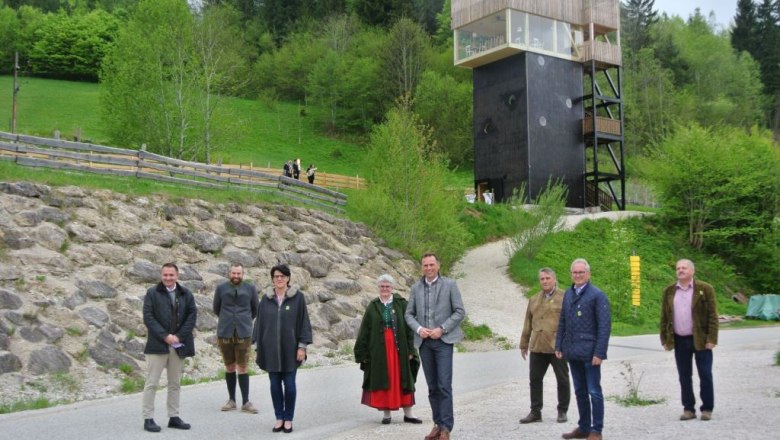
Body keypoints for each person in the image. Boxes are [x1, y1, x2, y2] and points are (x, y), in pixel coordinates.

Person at [405, 253, 466, 440]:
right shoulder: (416, 288)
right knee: (432, 387)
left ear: (438, 265)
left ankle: (446, 427)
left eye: (432, 265)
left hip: (443, 342)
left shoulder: (450, 285)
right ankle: (437, 425)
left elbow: (460, 311)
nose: (429, 268)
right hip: (424, 343)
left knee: (444, 385)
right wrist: (419, 329)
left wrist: (443, 328)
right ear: (421, 267)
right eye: (425, 265)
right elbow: (409, 314)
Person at [354, 274, 422, 425]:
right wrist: (362, 353)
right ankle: (386, 414)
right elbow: (365, 330)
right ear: (378, 288)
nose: (385, 289)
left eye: (387, 286)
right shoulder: (373, 306)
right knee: (384, 378)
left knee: (403, 378)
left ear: (392, 288)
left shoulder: (401, 304)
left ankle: (409, 414)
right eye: (382, 286)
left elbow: (410, 328)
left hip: (400, 348)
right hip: (379, 350)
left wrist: (411, 350)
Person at [253, 264, 313, 434]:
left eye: (282, 276)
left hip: (290, 350)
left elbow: (303, 323)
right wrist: (258, 345)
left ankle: (288, 419)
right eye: (276, 276)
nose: (279, 279)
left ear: (288, 279)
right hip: (270, 350)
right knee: (274, 386)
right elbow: (259, 323)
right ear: (272, 279)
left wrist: (302, 346)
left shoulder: (298, 298)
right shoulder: (266, 299)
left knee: (290, 386)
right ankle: (279, 417)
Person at [555, 258, 611, 440]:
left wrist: (599, 353)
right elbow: (562, 320)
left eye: (581, 272)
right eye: (574, 272)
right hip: (572, 351)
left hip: (590, 353)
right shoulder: (569, 294)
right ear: (571, 274)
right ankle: (584, 427)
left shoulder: (597, 295)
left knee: (594, 391)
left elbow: (604, 326)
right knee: (579, 391)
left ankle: (596, 430)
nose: (578, 275)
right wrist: (559, 345)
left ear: (588, 274)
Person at [141, 263, 198, 433]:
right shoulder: (152, 293)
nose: (168, 278)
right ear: (161, 275)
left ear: (177, 276)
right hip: (157, 345)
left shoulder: (186, 294)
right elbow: (148, 317)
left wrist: (178, 337)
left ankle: (173, 416)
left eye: (171, 275)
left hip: (178, 345)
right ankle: (148, 418)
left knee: (175, 383)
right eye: (165, 275)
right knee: (152, 383)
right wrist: (166, 336)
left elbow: (192, 316)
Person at [660, 259, 718, 421]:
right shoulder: (669, 291)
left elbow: (713, 316)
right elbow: (664, 317)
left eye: (684, 268)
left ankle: (707, 408)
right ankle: (688, 409)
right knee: (684, 376)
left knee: (705, 374)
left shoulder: (705, 289)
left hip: (701, 339)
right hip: (680, 340)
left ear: (692, 271)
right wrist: (665, 338)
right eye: (678, 268)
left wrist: (712, 338)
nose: (680, 270)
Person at [519, 268, 570, 424]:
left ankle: (562, 411)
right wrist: (524, 343)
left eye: (548, 278)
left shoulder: (565, 297)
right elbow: (528, 322)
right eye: (542, 279)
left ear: (554, 279)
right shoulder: (533, 299)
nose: (545, 281)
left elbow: (570, 323)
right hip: (537, 346)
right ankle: (535, 412)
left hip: (557, 347)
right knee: (534, 379)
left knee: (562, 379)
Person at [213, 263, 259, 414]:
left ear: (243, 274)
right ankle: (231, 400)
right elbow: (216, 308)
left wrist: (243, 319)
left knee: (243, 366)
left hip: (244, 331)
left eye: (239, 273)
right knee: (229, 366)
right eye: (233, 273)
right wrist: (228, 319)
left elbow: (255, 309)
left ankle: (246, 402)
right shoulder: (221, 288)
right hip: (225, 331)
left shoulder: (250, 288)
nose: (236, 276)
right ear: (229, 273)